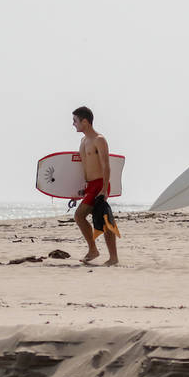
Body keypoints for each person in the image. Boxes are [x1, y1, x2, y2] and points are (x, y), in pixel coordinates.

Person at [72, 106, 119, 266]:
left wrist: (104, 189)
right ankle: (99, 252)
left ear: (85, 121)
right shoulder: (83, 141)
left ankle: (105, 255)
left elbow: (106, 166)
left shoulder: (99, 139)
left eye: (75, 121)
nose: (73, 124)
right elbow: (83, 167)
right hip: (90, 185)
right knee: (101, 220)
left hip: (100, 184)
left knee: (86, 217)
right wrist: (79, 189)